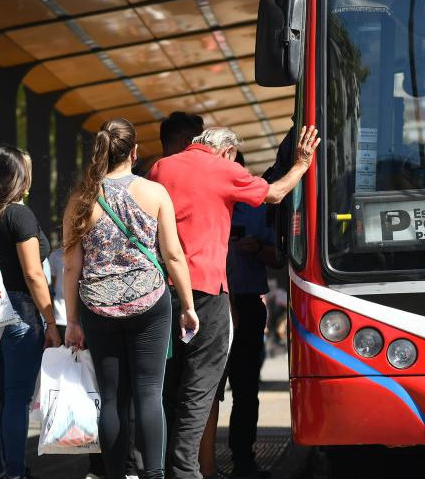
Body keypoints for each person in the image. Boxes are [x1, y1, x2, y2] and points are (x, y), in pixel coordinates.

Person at [147, 125, 319, 479]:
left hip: (163, 291)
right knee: (201, 387)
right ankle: (185, 470)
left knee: (166, 385)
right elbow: (273, 194)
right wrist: (302, 164)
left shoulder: (161, 167)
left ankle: (162, 467)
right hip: (207, 291)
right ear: (227, 152)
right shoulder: (225, 169)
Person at [62, 118, 200, 479]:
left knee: (112, 398)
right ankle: (153, 474)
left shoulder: (81, 199)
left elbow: (71, 267)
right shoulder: (154, 193)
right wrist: (187, 305)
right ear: (135, 152)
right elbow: (172, 256)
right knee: (150, 393)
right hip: (150, 303)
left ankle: (114, 474)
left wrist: (72, 320)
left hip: (97, 306)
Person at [0, 146, 61, 479]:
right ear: (17, 175)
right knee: (16, 397)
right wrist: (50, 321)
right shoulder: (19, 215)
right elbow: (34, 274)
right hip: (20, 309)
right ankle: (15, 471)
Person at [225, 155, 280, 479]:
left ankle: (243, 459)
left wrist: (256, 247)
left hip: (246, 304)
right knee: (199, 390)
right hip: (208, 304)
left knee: (245, 389)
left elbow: (278, 256)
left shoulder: (258, 207)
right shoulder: (201, 202)